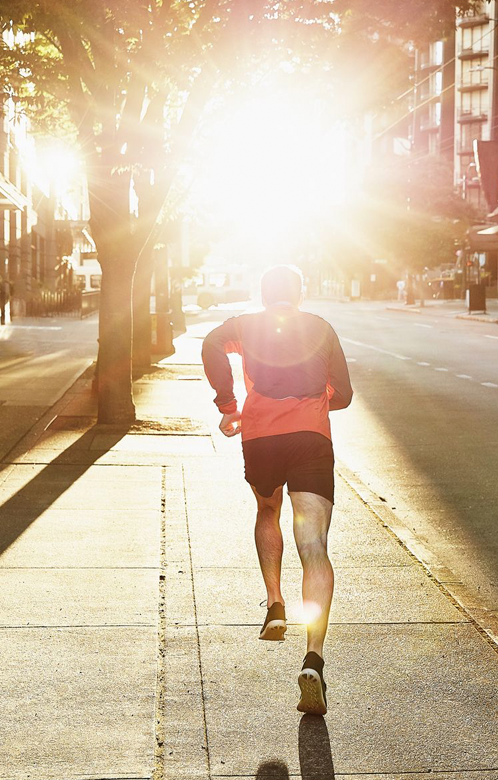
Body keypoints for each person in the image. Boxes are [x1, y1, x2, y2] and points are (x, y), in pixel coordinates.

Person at [200, 265, 353, 716]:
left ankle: (275, 604)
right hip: (310, 437)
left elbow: (211, 343)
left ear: (265, 295)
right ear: (300, 295)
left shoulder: (245, 325)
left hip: (261, 435)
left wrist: (229, 405)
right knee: (314, 545)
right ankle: (314, 659)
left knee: (268, 511)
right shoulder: (321, 328)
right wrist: (317, 392)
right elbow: (342, 394)